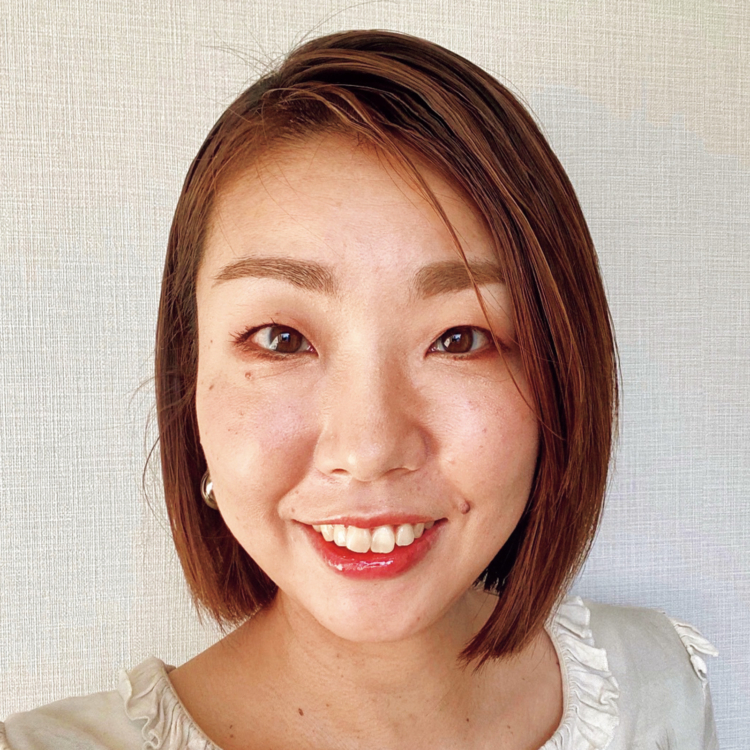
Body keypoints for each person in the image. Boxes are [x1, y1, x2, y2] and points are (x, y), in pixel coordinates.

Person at [1, 29, 718, 750]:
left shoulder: (657, 690)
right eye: (282, 338)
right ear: (189, 381)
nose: (369, 449)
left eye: (459, 338)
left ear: (561, 375)